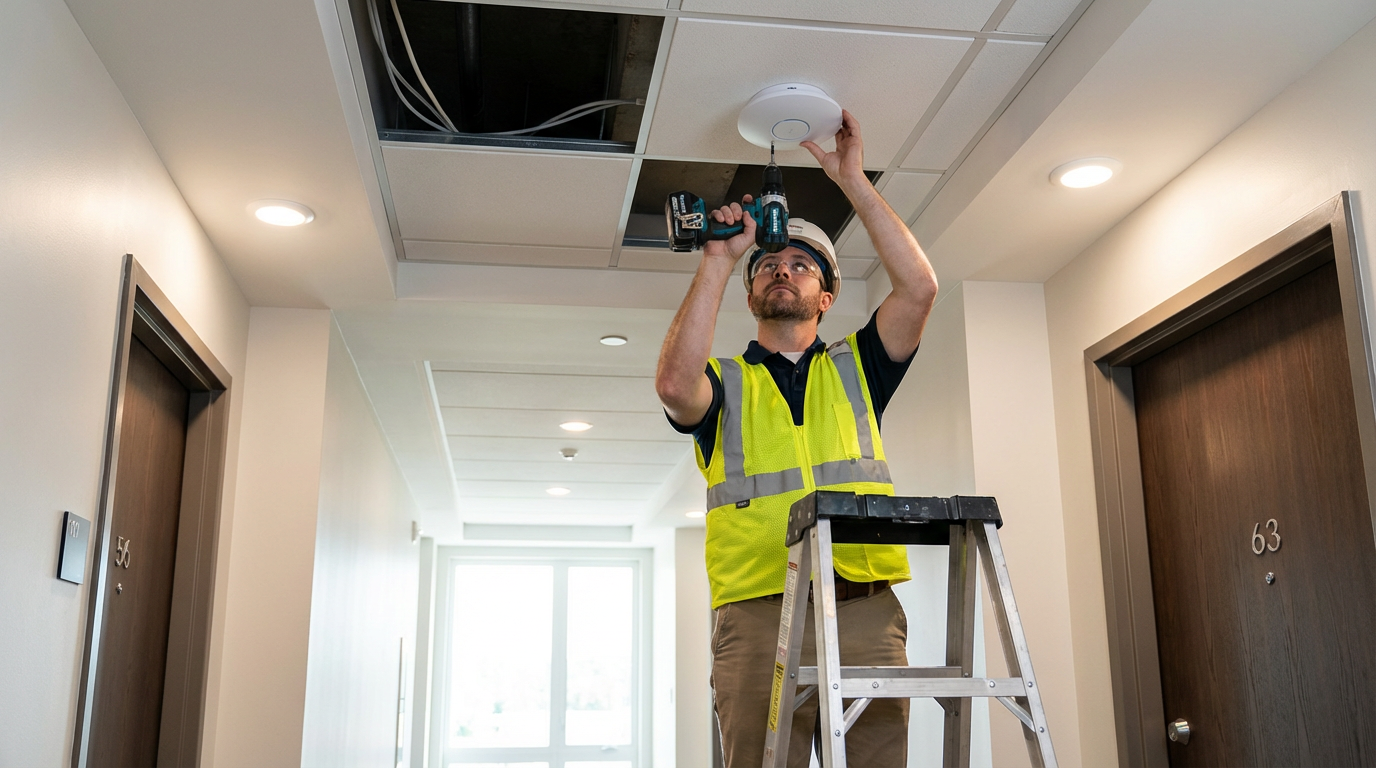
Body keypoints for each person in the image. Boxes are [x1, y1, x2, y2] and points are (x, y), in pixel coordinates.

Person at [655, 109, 939, 766]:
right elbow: (674, 385)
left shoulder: (860, 368)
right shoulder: (724, 386)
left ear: (827, 295)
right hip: (758, 616)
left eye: (802, 265)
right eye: (769, 265)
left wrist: (852, 181)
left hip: (863, 608)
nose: (782, 270)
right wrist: (719, 259)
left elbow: (919, 288)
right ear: (751, 292)